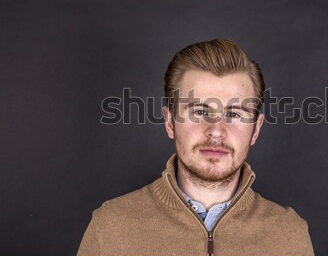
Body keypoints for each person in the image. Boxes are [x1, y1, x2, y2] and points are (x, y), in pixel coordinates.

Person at [77, 39, 314, 256]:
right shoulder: (110, 226)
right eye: (199, 111)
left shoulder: (290, 235)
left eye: (233, 113)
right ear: (170, 122)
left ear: (256, 129)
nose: (216, 130)